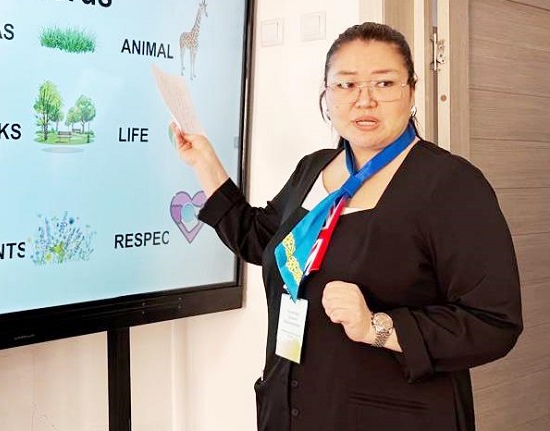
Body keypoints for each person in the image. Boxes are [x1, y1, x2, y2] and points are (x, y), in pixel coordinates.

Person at [172, 22, 522, 431]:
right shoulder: (314, 169)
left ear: (411, 92)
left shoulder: (450, 185)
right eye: (346, 84)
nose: (364, 100)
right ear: (327, 95)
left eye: (384, 83)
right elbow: (261, 241)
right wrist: (204, 163)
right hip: (292, 411)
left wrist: (377, 327)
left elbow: (494, 323)